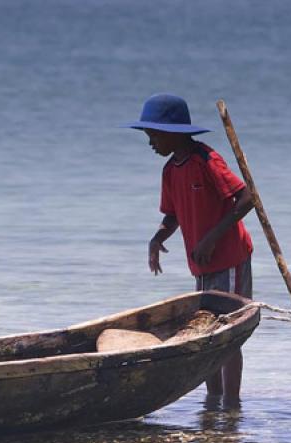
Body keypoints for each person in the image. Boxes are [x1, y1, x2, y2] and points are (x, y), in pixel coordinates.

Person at [124, 93, 255, 405]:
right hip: (202, 264)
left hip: (229, 257)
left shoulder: (206, 161)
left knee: (228, 332)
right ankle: (213, 402)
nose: (151, 142)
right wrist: (158, 239)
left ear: (173, 133)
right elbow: (173, 215)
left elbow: (247, 197)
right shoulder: (171, 171)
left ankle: (231, 405)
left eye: (154, 135)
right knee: (207, 333)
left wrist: (212, 238)